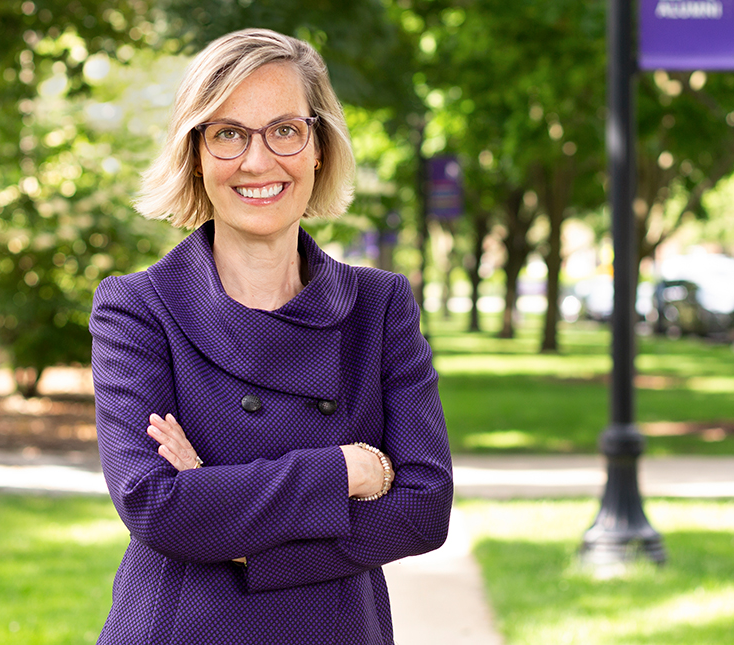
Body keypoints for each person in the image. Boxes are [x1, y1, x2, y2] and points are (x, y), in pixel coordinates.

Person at [88, 28, 453, 645]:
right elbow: (154, 504)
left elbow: (423, 509)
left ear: (318, 147)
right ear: (196, 154)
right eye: (228, 133)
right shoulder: (139, 308)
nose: (258, 162)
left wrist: (240, 541)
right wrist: (346, 471)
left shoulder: (379, 306)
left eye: (284, 129)